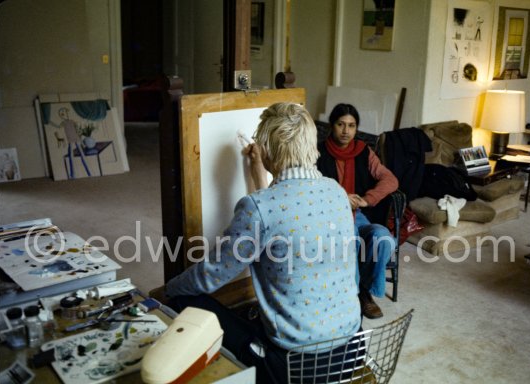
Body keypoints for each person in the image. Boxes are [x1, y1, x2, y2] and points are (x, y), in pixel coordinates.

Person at [166, 102, 361, 383]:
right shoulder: (337, 192)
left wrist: (168, 289)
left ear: (267, 149)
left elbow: (212, 274)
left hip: (295, 365)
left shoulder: (260, 208)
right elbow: (289, 216)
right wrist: (260, 173)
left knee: (185, 296)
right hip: (352, 347)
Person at [317, 103, 398, 319]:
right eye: (340, 124)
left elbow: (390, 179)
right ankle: (351, 294)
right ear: (331, 126)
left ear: (356, 128)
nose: (346, 131)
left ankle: (364, 291)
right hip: (328, 217)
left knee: (383, 239)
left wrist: (366, 200)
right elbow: (312, 187)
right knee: (350, 237)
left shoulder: (364, 152)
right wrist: (341, 198)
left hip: (358, 215)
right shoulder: (317, 152)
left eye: (351, 126)